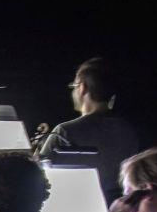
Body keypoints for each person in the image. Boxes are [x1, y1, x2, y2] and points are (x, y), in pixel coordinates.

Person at [37, 57, 140, 202]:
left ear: (82, 87)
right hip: (113, 209)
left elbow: (36, 178)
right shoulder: (128, 131)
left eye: (74, 86)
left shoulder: (65, 131)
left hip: (69, 205)